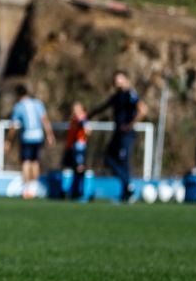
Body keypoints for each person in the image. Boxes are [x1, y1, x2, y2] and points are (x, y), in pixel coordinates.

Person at [90, 70, 148, 202]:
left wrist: (130, 124)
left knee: (123, 161)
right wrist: (88, 116)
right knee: (108, 159)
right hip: (117, 133)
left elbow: (143, 109)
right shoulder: (116, 96)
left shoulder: (130, 94)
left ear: (125, 79)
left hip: (126, 134)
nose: (117, 82)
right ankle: (127, 187)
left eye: (119, 79)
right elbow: (103, 107)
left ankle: (127, 190)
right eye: (116, 80)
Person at [7, 84, 51, 198]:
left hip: (27, 136)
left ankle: (26, 189)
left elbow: (14, 125)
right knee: (35, 161)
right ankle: (34, 188)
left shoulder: (19, 106)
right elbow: (44, 120)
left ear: (18, 95)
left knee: (26, 162)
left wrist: (8, 140)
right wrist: (50, 134)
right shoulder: (37, 103)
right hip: (38, 136)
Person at [61, 102, 90, 201]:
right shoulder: (74, 120)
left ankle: (80, 192)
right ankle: (73, 191)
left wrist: (84, 128)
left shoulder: (82, 119)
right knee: (72, 169)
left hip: (79, 147)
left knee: (79, 169)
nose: (74, 111)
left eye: (77, 109)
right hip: (72, 147)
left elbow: (87, 131)